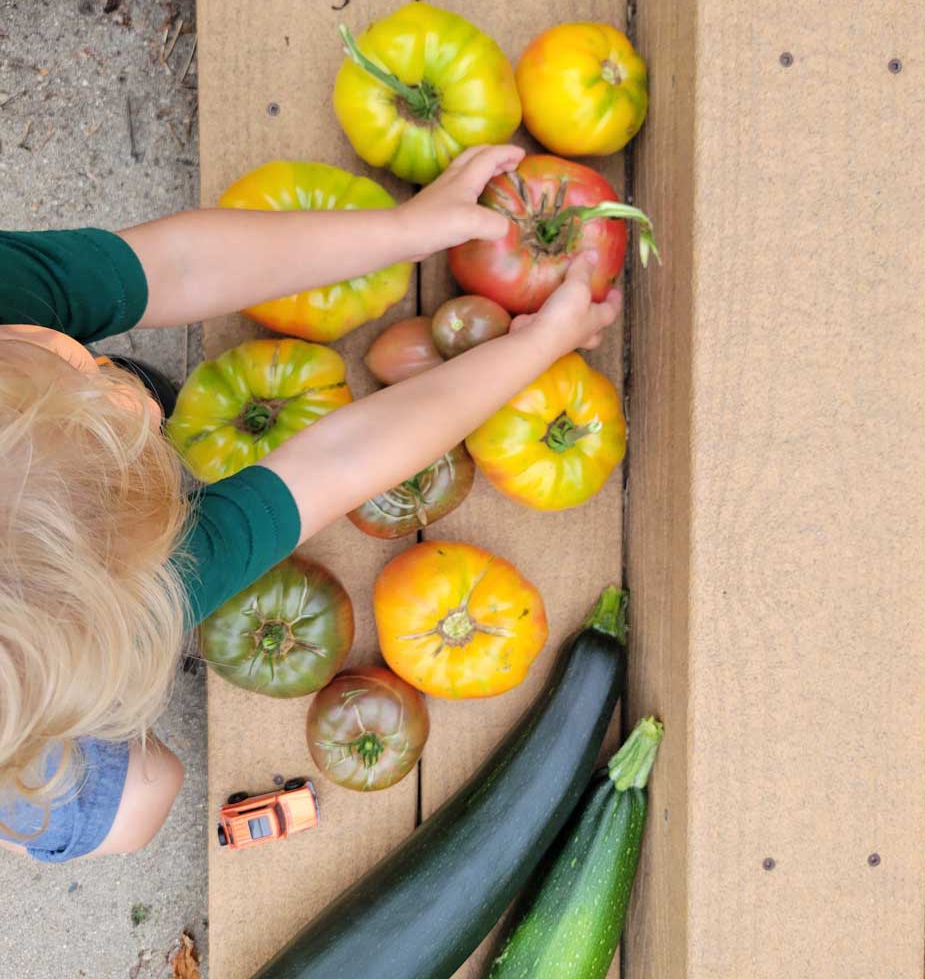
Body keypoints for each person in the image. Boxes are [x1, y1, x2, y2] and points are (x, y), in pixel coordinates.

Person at [0, 144, 621, 862]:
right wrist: (537, 346)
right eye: (129, 422)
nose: (144, 409)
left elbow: (180, 265)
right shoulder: (123, 602)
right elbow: (333, 464)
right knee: (128, 803)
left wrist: (405, 231)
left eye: (110, 402)